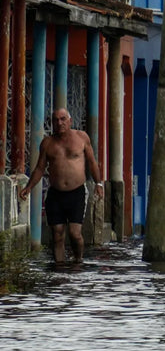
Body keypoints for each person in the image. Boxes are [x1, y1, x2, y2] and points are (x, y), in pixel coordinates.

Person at [17, 108, 102, 263]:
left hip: (77, 192)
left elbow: (92, 162)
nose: (59, 123)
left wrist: (99, 183)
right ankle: (60, 268)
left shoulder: (81, 138)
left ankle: (78, 261)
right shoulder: (47, 143)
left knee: (75, 233)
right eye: (55, 120)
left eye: (63, 119)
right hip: (55, 193)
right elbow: (40, 168)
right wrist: (28, 187)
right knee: (57, 234)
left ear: (70, 121)